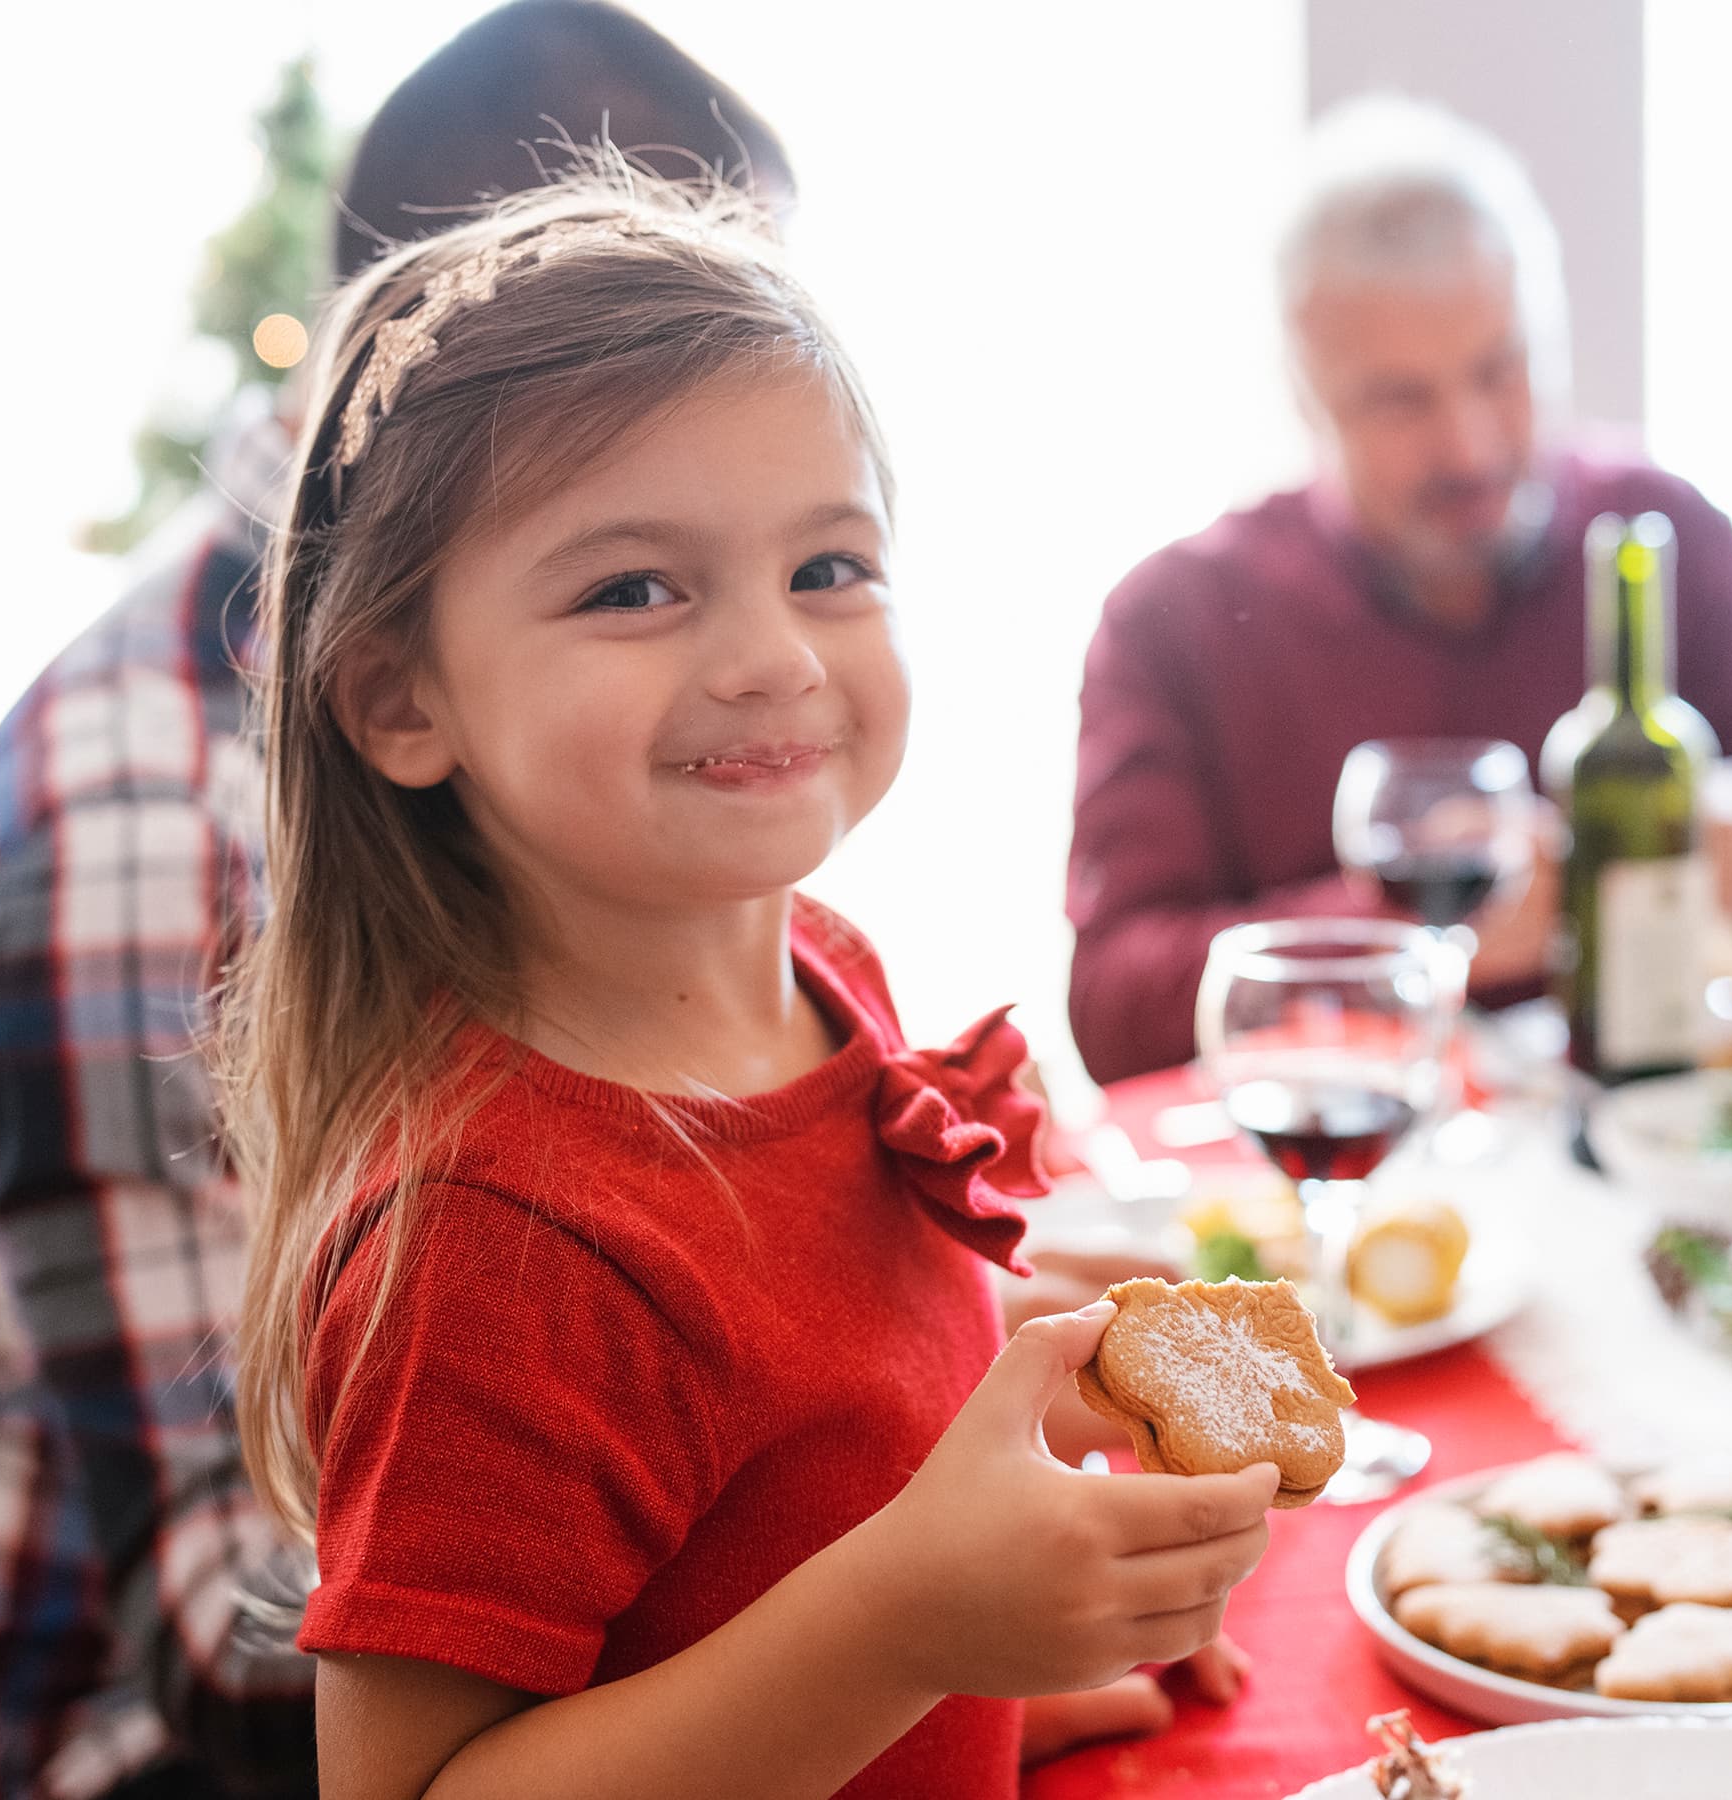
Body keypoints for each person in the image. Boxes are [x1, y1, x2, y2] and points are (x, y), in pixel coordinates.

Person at [212, 171, 1273, 1800]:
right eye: (634, 589)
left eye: (829, 568)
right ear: (400, 701)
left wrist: (979, 1681)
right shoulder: (499, 1239)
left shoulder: (821, 972)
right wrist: (907, 1636)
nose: (773, 655)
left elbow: (793, 1486)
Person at [0, 11, 792, 1797]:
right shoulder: (142, 845)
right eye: (697, 348)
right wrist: (864, 1599)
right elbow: (242, 1646)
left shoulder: (570, 715)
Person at [1066, 97, 1732, 1083]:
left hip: (1638, 1160)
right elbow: (1111, 1010)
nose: (1469, 444)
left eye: (1499, 369)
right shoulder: (1171, 619)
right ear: (1304, 398)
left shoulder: (1651, 537)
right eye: (1399, 401)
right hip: (1352, 1183)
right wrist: (1404, 931)